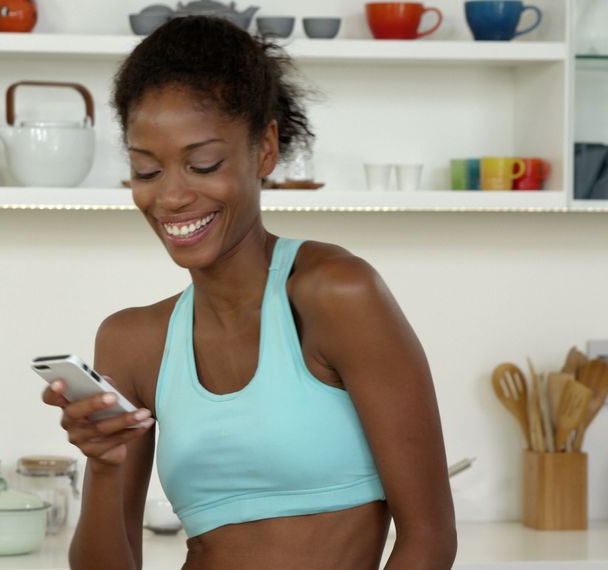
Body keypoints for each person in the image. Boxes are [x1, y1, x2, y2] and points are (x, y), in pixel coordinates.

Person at [41, 16, 457, 570]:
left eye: (203, 164)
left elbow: (429, 538)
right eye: (146, 171)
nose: (171, 196)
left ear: (264, 147)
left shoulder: (336, 294)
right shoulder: (133, 340)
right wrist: (105, 464)